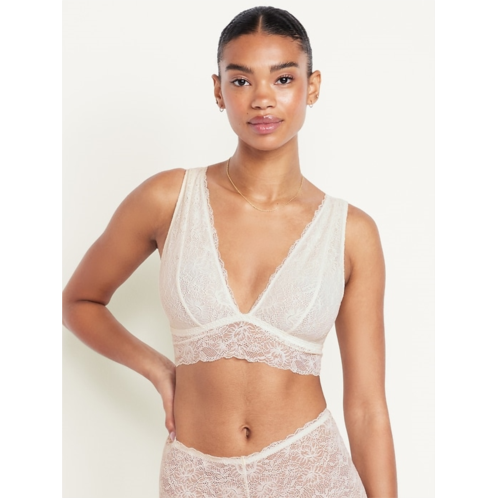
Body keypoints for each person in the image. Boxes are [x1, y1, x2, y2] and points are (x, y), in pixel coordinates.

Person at [62, 6, 397, 497]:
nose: (262, 98)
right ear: (219, 91)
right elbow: (79, 301)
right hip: (195, 479)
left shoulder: (351, 232)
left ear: (313, 86)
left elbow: (367, 408)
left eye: (283, 78)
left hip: (311, 475)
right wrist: (158, 369)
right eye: (241, 81)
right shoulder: (168, 200)